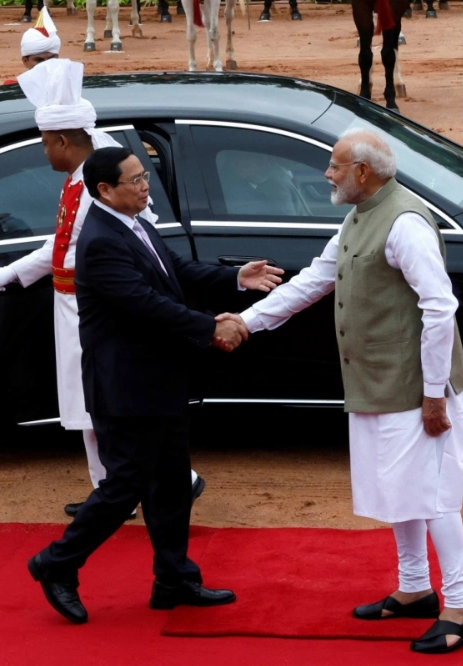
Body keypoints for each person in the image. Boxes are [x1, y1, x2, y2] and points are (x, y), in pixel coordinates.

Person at [218, 129, 463, 654]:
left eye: (335, 165)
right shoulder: (358, 217)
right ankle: (415, 589)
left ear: (363, 172)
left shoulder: (405, 223)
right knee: (400, 488)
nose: (327, 174)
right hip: (381, 382)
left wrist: (435, 393)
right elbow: (314, 282)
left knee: (432, 495)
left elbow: (440, 308)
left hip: (416, 388)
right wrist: (247, 322)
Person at [26, 145, 284, 624]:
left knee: (169, 484)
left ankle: (174, 579)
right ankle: (56, 563)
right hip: (126, 386)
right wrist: (211, 328)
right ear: (105, 190)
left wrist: (235, 278)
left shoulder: (134, 222)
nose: (147, 186)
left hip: (158, 379)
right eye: (136, 180)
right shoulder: (101, 241)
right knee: (124, 486)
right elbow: (145, 304)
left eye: (145, 176)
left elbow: (174, 273)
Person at [0, 58, 205, 519]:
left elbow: (104, 252)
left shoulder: (96, 188)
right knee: (88, 408)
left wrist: (18, 272)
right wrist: (13, 273)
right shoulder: (76, 181)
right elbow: (58, 247)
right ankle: (108, 490)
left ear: (63, 140)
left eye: (46, 143)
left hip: (94, 309)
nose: (43, 152)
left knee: (106, 404)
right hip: (70, 305)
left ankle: (163, 483)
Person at [5, 7, 60, 85]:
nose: (46, 66)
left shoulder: (72, 85)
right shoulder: (15, 90)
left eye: (51, 60)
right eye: (39, 60)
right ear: (25, 62)